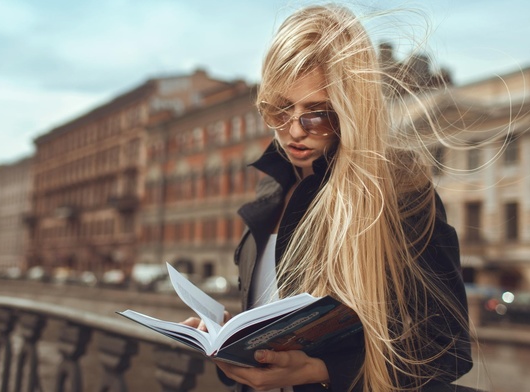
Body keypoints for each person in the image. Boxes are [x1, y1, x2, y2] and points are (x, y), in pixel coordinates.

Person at [184, 4, 473, 391]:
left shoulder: (399, 191)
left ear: (351, 109)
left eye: (316, 113)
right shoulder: (271, 188)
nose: (294, 131)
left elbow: (447, 348)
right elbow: (280, 338)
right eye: (279, 110)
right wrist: (229, 339)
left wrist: (321, 372)